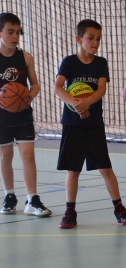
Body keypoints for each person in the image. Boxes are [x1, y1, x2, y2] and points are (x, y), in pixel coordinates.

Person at [54, 19, 126, 229]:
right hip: (72, 124)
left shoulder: (101, 63)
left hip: (94, 124)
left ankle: (119, 209)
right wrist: (75, 104)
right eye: (91, 38)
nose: (96, 42)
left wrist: (87, 102)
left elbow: (101, 89)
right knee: (73, 170)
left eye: (98, 38)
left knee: (106, 168)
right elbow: (58, 87)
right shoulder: (69, 62)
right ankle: (69, 212)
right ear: (79, 39)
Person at [0, 13, 52, 216]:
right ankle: (9, 195)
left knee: (28, 154)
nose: (15, 36)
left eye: (18, 32)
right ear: (1, 32)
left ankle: (32, 199)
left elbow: (35, 84)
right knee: (6, 155)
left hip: (22, 113)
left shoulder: (26, 57)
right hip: (2, 116)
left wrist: (28, 97)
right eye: (10, 32)